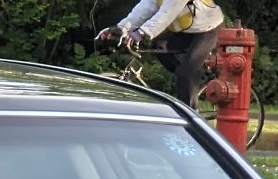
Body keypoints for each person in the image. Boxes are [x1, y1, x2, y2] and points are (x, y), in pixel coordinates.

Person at [96, 0, 226, 111]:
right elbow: (143, 10)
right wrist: (120, 29)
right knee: (158, 46)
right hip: (186, 32)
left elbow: (166, 14)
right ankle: (195, 77)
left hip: (208, 29)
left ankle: (191, 113)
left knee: (186, 71)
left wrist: (141, 33)